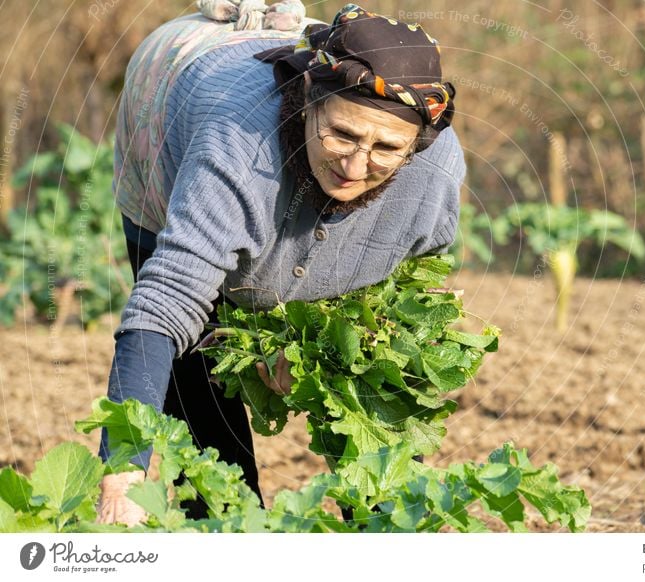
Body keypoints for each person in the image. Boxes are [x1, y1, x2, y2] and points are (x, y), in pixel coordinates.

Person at [97, 2, 464, 526]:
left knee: (366, 390)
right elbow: (166, 305)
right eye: (342, 134)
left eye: (386, 147)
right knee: (197, 373)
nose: (357, 166)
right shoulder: (237, 149)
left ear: (417, 146)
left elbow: (410, 294)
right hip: (164, 98)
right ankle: (224, 525)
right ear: (307, 101)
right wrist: (123, 474)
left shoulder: (435, 175)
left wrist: (318, 343)